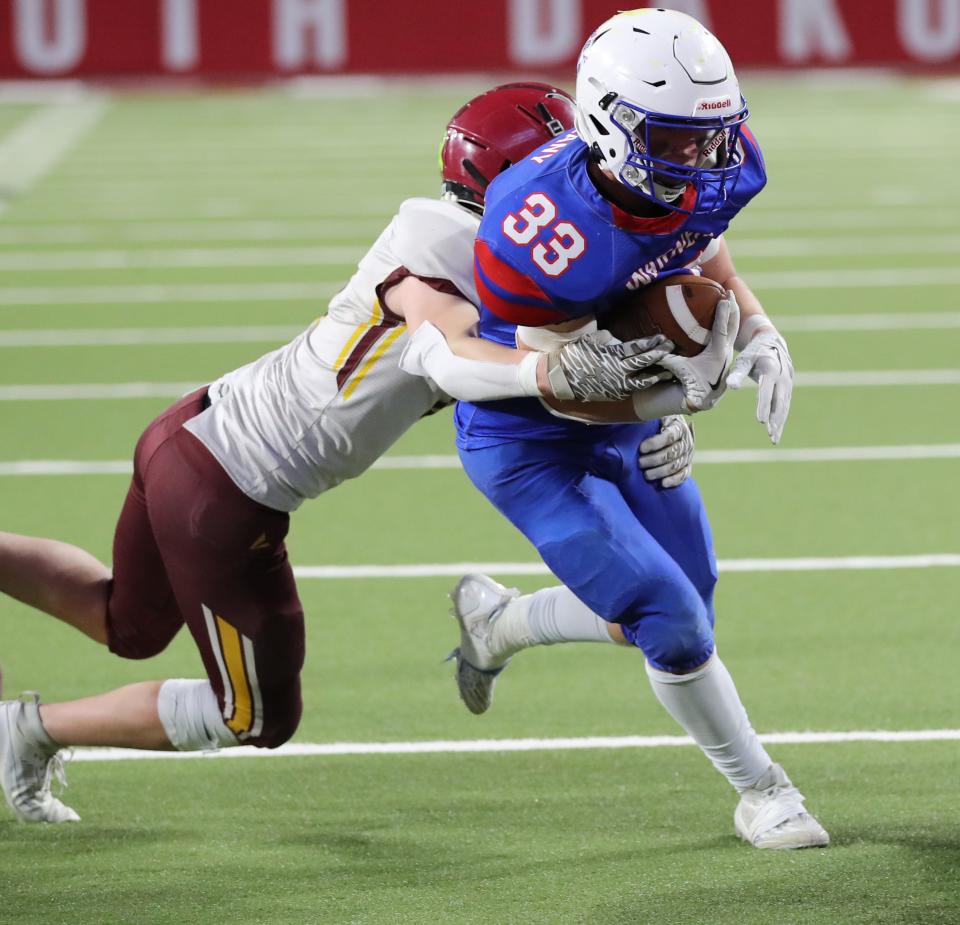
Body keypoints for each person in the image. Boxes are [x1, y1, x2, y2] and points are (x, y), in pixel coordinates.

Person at [0, 82, 695, 824]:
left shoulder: (500, 253)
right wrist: (626, 390)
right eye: (563, 171)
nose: (578, 192)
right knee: (255, 716)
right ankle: (25, 733)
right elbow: (467, 348)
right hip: (226, 492)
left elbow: (564, 364)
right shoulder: (448, 252)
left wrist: (656, 411)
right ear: (509, 183)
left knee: (129, 625)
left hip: (193, 432)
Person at [447, 9, 827, 850]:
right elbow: (564, 387)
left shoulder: (714, 167)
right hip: (528, 436)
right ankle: (763, 791)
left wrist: (758, 329)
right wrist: (671, 400)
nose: (701, 161)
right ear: (608, 125)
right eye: (675, 140)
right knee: (672, 618)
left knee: (688, 606)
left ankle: (499, 623)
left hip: (627, 392)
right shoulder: (538, 224)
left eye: (710, 138)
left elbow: (705, 253)